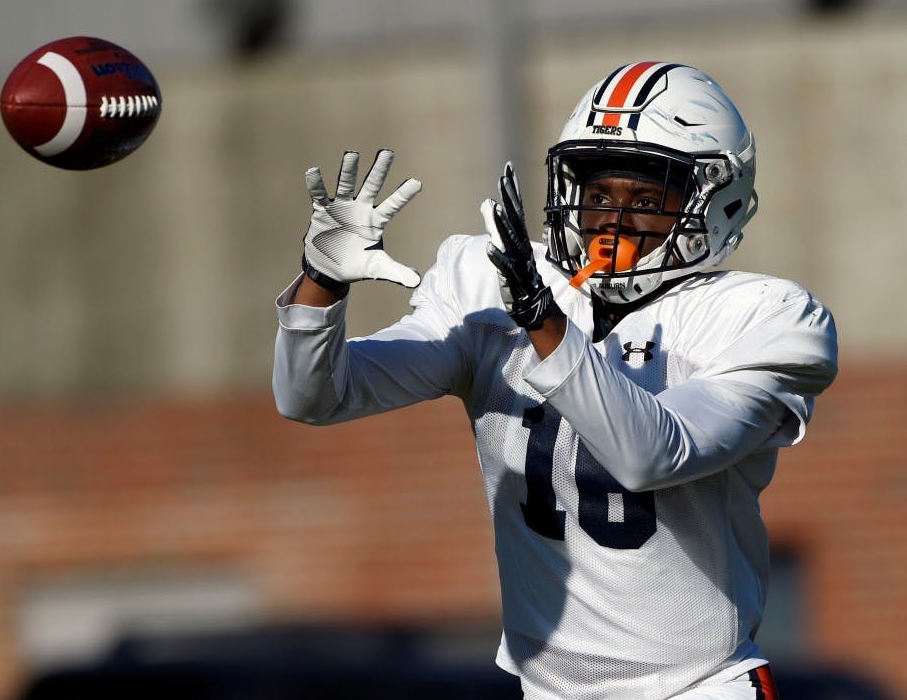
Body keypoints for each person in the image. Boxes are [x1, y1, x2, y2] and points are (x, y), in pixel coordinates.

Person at [272, 62, 838, 700]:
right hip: (545, 689)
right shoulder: (494, 280)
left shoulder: (765, 318)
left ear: (716, 202)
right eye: (599, 195)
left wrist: (542, 320)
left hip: (697, 687)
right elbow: (316, 396)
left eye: (645, 200)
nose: (612, 220)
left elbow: (650, 453)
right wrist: (322, 284)